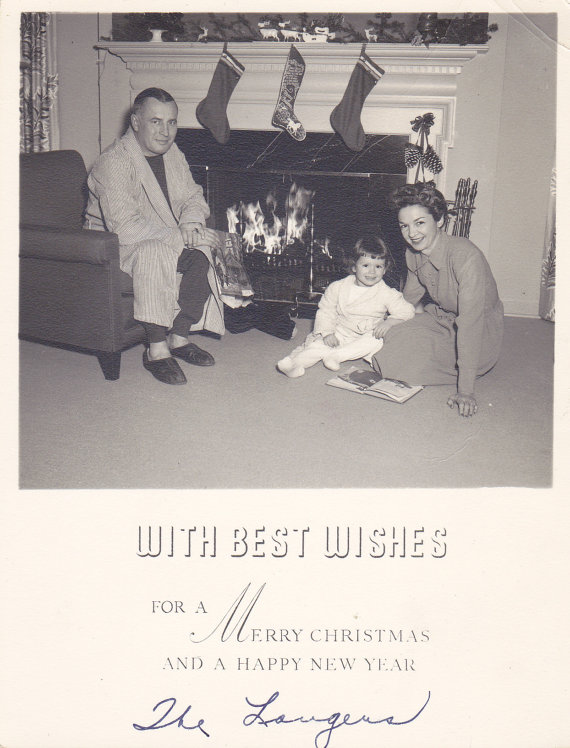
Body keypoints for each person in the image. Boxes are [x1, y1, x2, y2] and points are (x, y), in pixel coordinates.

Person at [85, 87, 224, 385]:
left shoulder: (172, 153)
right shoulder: (114, 161)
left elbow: (193, 196)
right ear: (135, 122)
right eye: (155, 122)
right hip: (109, 247)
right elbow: (124, 228)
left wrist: (192, 225)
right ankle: (156, 350)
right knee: (154, 252)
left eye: (172, 122)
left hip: (157, 232)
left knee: (202, 253)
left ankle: (179, 337)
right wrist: (182, 236)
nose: (165, 132)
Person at [372, 181, 504, 417]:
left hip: (478, 332)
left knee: (400, 363)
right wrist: (383, 321)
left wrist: (465, 392)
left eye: (420, 223)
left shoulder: (466, 257)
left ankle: (463, 368)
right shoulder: (412, 253)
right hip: (443, 318)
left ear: (440, 220)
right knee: (391, 335)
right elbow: (409, 299)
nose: (412, 234)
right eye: (404, 226)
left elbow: (471, 324)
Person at [277, 235, 415, 377]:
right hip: (340, 331)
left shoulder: (386, 292)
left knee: (377, 341)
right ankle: (296, 365)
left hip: (366, 336)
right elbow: (326, 311)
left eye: (378, 266)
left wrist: (390, 322)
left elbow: (408, 311)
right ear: (354, 267)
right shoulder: (338, 287)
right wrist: (327, 332)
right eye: (365, 265)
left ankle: (336, 356)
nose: (372, 272)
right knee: (317, 346)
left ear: (385, 269)